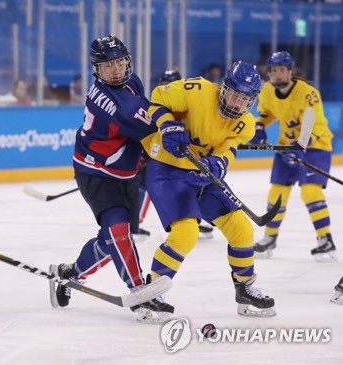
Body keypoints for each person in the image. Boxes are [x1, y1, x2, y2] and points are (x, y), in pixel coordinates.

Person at [50, 35, 174, 323]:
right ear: (97, 69)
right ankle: (139, 292)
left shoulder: (133, 82)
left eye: (120, 62)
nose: (116, 69)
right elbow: (154, 126)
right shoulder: (111, 101)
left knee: (110, 240)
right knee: (119, 231)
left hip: (124, 171)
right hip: (96, 172)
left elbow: (153, 116)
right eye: (108, 66)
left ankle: (69, 273)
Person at [141, 61, 276, 317]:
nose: (237, 104)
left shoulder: (245, 124)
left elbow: (228, 152)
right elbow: (156, 99)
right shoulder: (196, 90)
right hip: (167, 169)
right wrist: (168, 124)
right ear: (224, 87)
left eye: (244, 100)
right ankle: (152, 292)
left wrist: (217, 164)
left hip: (200, 175)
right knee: (186, 233)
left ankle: (244, 287)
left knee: (242, 228)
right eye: (235, 95)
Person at [250, 51, 336, 263]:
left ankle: (325, 240)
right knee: (277, 191)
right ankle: (270, 238)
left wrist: (299, 148)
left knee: (309, 191)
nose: (277, 74)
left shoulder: (308, 93)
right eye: (273, 70)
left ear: (290, 72)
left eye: (282, 70)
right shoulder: (267, 90)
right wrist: (259, 127)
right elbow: (266, 112)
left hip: (316, 146)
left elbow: (314, 125)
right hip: (286, 146)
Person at [137, 70, 214, 240]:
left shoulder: (189, 110)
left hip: (186, 159)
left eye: (170, 85)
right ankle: (135, 223)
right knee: (143, 183)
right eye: (163, 84)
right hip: (157, 158)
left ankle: (194, 219)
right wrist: (142, 154)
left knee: (196, 184)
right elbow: (143, 131)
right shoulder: (154, 107)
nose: (166, 88)